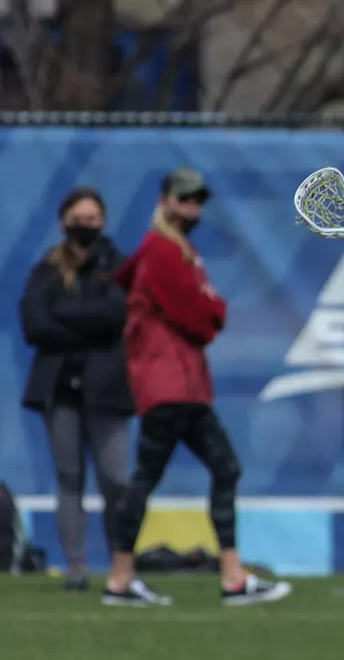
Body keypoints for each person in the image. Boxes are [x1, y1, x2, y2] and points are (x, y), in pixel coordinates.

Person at [104, 167, 289, 607]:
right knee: (165, 477)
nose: (193, 208)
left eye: (198, 200)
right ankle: (125, 579)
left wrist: (209, 307)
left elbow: (204, 313)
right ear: (165, 200)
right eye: (185, 199)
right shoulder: (163, 251)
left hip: (178, 384)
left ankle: (224, 577)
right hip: (171, 384)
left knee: (202, 472)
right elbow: (201, 317)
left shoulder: (175, 249)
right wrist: (212, 305)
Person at [20, 187, 135, 592]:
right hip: (60, 387)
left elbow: (117, 315)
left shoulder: (117, 264)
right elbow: (34, 323)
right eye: (78, 218)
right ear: (63, 221)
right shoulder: (47, 269)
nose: (85, 226)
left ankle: (122, 564)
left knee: (115, 480)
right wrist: (86, 324)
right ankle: (76, 566)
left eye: (92, 219)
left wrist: (65, 317)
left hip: (108, 386)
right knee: (69, 477)